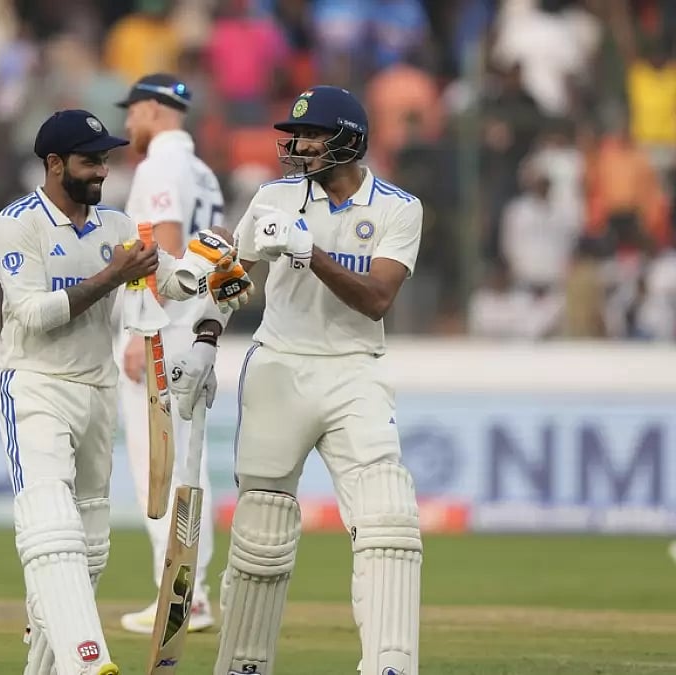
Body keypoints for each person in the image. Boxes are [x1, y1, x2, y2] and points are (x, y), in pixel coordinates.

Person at [166, 86, 424, 675]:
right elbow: (230, 276)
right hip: (280, 365)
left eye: (313, 135)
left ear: (350, 141)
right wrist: (204, 341)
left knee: (388, 522)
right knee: (261, 532)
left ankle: (390, 665)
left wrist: (309, 252)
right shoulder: (274, 197)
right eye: (296, 135)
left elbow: (377, 299)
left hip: (356, 370)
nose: (299, 146)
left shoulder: (398, 208)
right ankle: (244, 667)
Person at [0, 109, 252, 675]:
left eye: (105, 159)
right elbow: (34, 314)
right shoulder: (17, 224)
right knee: (51, 527)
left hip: (97, 389)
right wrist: (113, 275)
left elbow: (170, 280)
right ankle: (89, 662)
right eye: (90, 160)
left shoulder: (115, 226)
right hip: (35, 385)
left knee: (90, 546)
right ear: (54, 163)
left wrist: (212, 267)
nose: (103, 170)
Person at [112, 73, 221, 635]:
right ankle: (192, 592)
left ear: (153, 110)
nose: (128, 122)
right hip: (193, 327)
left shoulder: (158, 165)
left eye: (132, 111)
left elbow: (167, 246)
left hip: (163, 329)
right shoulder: (202, 171)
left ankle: (180, 596)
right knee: (187, 465)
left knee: (157, 467)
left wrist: (142, 328)